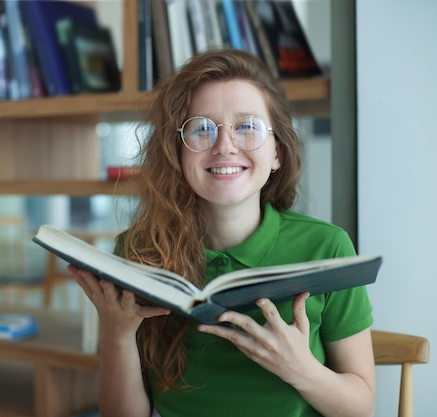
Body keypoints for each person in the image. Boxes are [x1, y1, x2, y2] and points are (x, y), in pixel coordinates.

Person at [69, 49, 375, 417]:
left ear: (277, 152)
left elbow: (361, 409)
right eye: (201, 128)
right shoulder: (137, 252)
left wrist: (302, 370)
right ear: (177, 152)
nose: (224, 146)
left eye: (247, 127)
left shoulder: (327, 247)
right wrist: (116, 334)